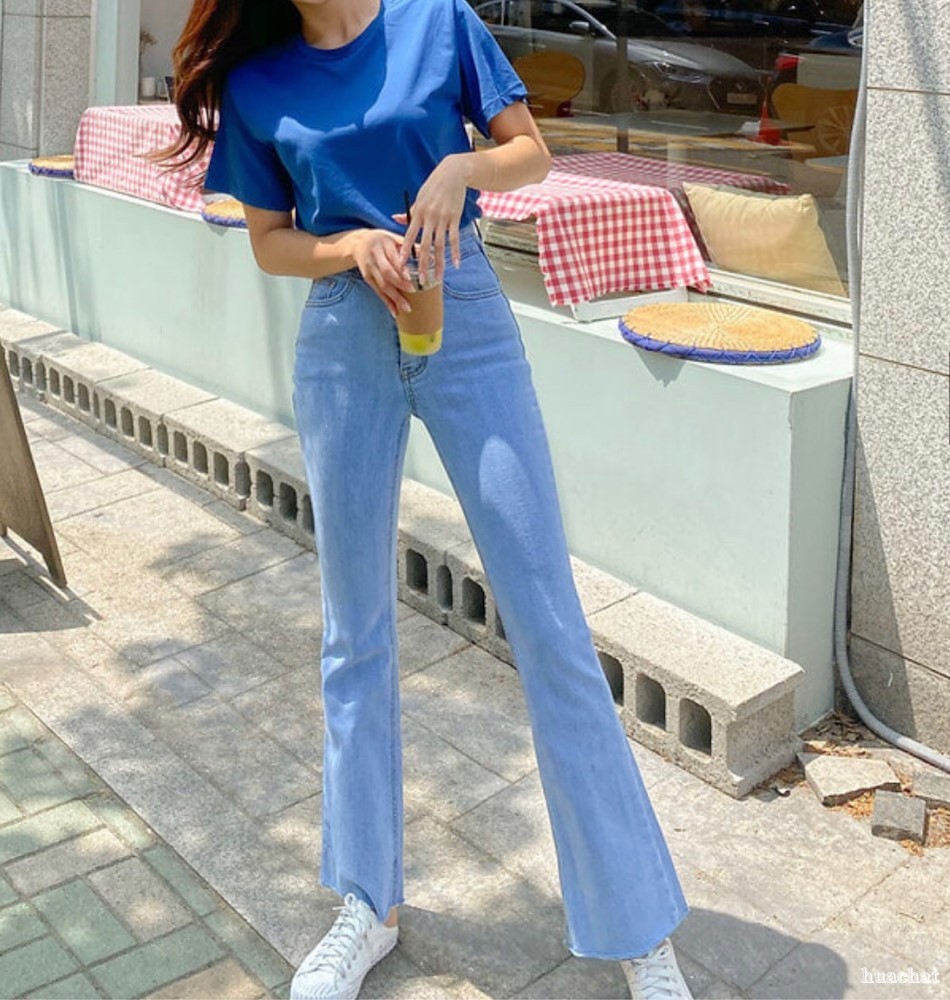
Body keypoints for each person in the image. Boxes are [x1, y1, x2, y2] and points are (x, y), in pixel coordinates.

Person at [166, 1, 693, 997]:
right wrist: (348, 248)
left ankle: (638, 927)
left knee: (548, 623)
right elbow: (270, 241)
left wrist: (459, 168)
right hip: (342, 337)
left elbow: (530, 154)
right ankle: (368, 904)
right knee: (353, 633)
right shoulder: (258, 79)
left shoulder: (437, 21)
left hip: (467, 314)